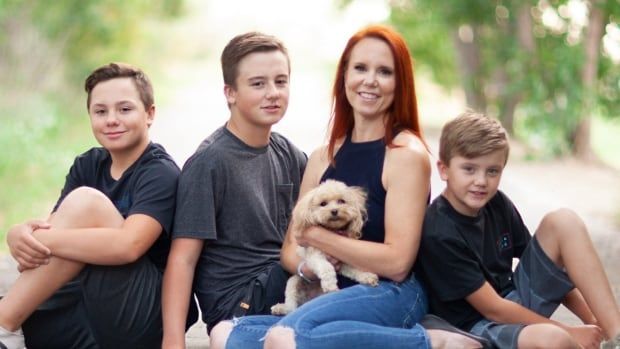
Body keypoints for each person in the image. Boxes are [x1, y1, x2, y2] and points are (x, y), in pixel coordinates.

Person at [210, 24, 485, 349]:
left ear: (400, 84)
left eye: (384, 71)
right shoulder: (322, 156)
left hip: (387, 292)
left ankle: (430, 343)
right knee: (224, 334)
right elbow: (289, 249)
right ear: (344, 76)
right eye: (360, 68)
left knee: (285, 339)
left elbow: (397, 263)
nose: (370, 80)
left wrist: (319, 237)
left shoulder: (405, 155)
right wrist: (308, 269)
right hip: (326, 290)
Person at [0, 62, 192, 349]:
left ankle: (4, 325)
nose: (111, 119)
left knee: (85, 203)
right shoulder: (88, 164)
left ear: (150, 114)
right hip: (92, 307)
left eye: (125, 109)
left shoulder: (159, 172)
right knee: (70, 232)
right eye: (100, 111)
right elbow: (53, 237)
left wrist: (38, 238)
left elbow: (129, 246)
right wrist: (19, 234)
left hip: (145, 313)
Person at [415, 111, 620, 349]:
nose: (481, 181)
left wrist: (593, 325)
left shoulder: (497, 203)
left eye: (492, 171)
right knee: (556, 340)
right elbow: (494, 309)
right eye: (469, 169)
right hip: (477, 327)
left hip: (512, 302)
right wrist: (569, 331)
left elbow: (550, 268)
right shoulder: (439, 230)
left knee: (564, 221)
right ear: (444, 170)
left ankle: (616, 335)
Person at [161, 32, 307, 348]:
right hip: (239, 301)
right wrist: (173, 340)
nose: (273, 93)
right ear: (230, 93)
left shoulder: (287, 152)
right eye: (258, 84)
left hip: (281, 283)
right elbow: (183, 259)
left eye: (280, 82)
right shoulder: (209, 163)